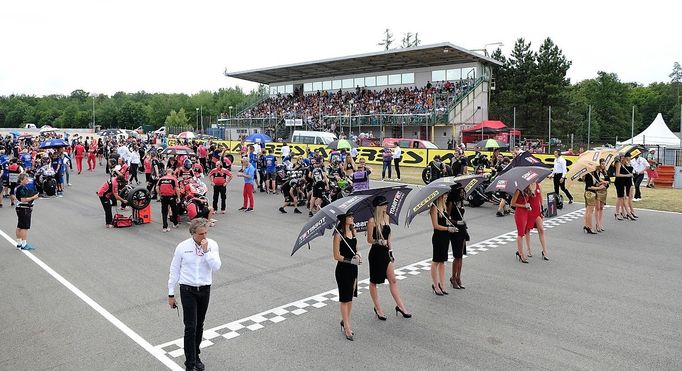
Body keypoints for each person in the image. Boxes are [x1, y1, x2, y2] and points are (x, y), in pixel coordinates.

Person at [167, 218, 221, 371]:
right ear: (193, 233)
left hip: (204, 289)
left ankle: (196, 355)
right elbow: (174, 270)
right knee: (190, 326)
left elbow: (216, 267)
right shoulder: (182, 247)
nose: (204, 237)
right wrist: (171, 294)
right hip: (187, 290)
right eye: (200, 234)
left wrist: (207, 252)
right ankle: (189, 363)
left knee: (199, 325)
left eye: (206, 233)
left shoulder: (212, 245)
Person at [366, 196, 411, 320]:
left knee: (393, 280)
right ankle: (378, 308)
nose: (387, 206)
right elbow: (369, 239)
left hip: (385, 252)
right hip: (375, 253)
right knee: (374, 281)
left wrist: (390, 251)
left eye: (387, 204)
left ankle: (401, 306)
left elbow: (389, 236)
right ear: (379, 207)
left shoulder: (387, 217)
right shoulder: (371, 221)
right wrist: (378, 241)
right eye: (384, 204)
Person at [333, 212, 360, 341]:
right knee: (344, 298)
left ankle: (345, 321)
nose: (353, 218)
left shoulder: (353, 231)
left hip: (353, 269)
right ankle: (347, 327)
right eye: (350, 216)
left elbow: (356, 248)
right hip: (343, 269)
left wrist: (358, 255)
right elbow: (336, 256)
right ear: (344, 219)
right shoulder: (338, 236)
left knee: (350, 297)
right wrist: (350, 260)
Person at [447, 183, 469, 288]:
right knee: (457, 256)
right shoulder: (451, 203)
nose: (462, 193)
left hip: (462, 230)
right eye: (460, 191)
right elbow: (447, 219)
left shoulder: (460, 202)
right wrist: (457, 222)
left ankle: (459, 277)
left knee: (461, 255)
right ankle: (453, 277)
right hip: (455, 230)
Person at [429, 194, 450, 295]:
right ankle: (435, 285)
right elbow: (436, 225)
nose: (446, 197)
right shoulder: (434, 208)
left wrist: (450, 224)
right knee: (436, 261)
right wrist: (447, 228)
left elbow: (445, 222)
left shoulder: (444, 206)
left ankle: (442, 284)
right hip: (438, 237)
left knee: (443, 261)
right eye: (444, 195)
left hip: (446, 237)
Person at [14, 174, 39, 250]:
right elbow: (23, 199)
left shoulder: (18, 187)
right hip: (24, 208)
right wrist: (33, 197)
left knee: (19, 226)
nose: (27, 180)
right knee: (24, 227)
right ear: (21, 180)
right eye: (26, 179)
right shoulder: (21, 188)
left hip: (20, 207)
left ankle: (19, 243)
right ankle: (24, 244)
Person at [525, 182, 549, 260]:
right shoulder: (526, 186)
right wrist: (530, 192)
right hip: (529, 211)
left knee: (541, 229)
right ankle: (529, 249)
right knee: (527, 230)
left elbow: (540, 198)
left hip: (537, 211)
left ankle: (545, 251)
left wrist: (541, 209)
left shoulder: (539, 185)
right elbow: (525, 199)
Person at [511, 186, 533, 263]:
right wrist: (524, 206)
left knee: (523, 233)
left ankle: (520, 251)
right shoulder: (518, 191)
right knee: (520, 234)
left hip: (525, 213)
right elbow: (512, 203)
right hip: (519, 213)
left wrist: (528, 206)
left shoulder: (526, 190)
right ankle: (521, 253)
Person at [614, 155, 636, 221]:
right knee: (620, 197)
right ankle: (617, 213)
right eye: (622, 157)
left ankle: (627, 213)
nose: (623, 158)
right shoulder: (618, 163)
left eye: (624, 157)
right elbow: (617, 174)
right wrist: (627, 175)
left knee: (623, 197)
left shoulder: (624, 164)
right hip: (619, 182)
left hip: (623, 182)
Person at [593, 159, 610, 232]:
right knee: (597, 208)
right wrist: (602, 182)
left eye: (604, 164)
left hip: (604, 190)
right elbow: (595, 183)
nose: (603, 165)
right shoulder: (595, 172)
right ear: (599, 164)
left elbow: (609, 180)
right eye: (602, 164)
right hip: (597, 190)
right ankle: (597, 224)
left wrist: (606, 182)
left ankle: (600, 223)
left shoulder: (605, 172)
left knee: (601, 207)